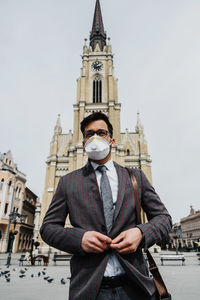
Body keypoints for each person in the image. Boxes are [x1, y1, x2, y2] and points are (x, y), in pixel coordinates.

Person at [40, 112, 172, 300]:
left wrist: (141, 233)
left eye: (101, 133)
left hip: (135, 285)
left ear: (112, 140)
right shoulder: (68, 182)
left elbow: (164, 219)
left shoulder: (135, 177)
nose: (95, 138)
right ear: (83, 142)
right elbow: (48, 228)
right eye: (89, 134)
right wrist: (80, 239)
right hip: (90, 288)